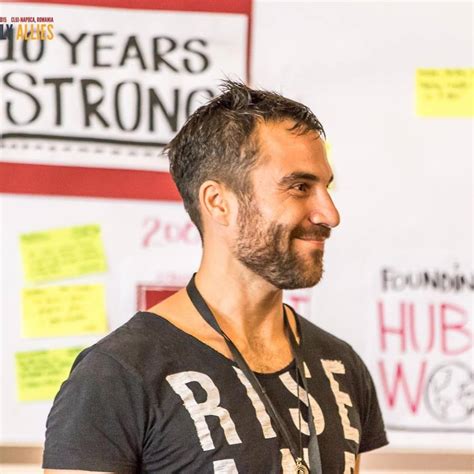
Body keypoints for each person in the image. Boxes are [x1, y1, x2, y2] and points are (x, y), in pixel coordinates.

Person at [43, 81, 388, 474]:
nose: (329, 214)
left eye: (325, 187)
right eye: (299, 187)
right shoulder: (117, 375)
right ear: (219, 202)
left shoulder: (340, 365)